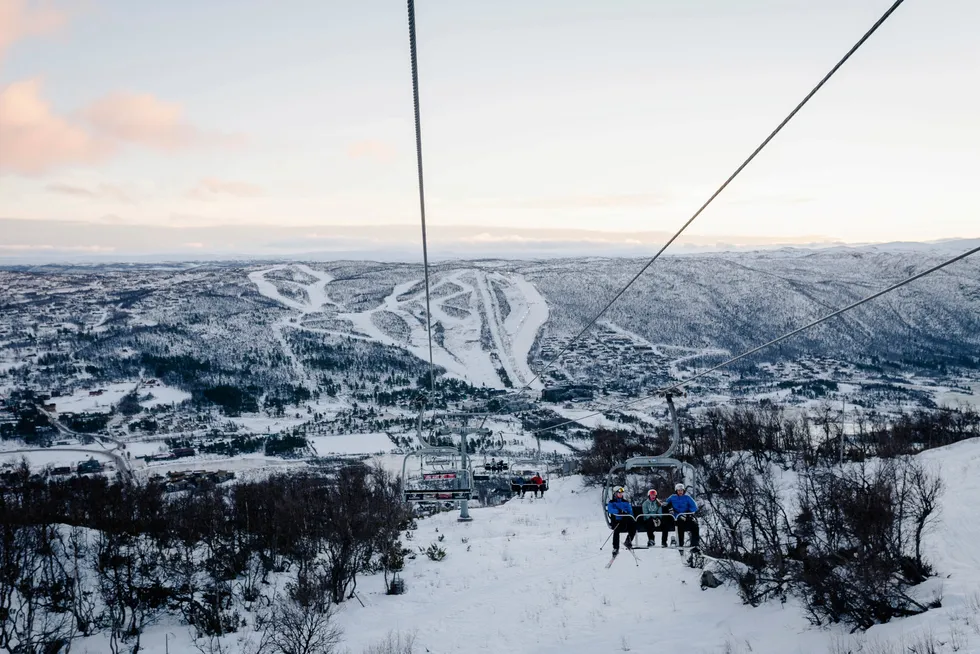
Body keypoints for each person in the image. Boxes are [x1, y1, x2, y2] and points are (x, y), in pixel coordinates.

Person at [664, 483, 699, 549]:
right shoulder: (672, 497)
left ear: (683, 491)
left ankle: (695, 543)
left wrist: (688, 512)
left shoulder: (687, 498)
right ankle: (680, 542)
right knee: (680, 524)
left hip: (686, 515)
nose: (680, 492)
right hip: (676, 516)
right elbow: (666, 504)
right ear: (676, 491)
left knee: (695, 525)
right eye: (678, 490)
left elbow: (694, 506)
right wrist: (669, 508)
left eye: (681, 490)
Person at [606, 486, 636, 553]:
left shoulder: (625, 502)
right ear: (615, 493)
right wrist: (619, 511)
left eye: (622, 493)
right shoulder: (612, 502)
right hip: (617, 521)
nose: (621, 494)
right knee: (616, 530)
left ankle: (628, 541)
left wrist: (628, 514)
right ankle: (615, 547)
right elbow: (610, 510)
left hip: (625, 520)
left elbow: (630, 510)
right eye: (619, 493)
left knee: (633, 528)